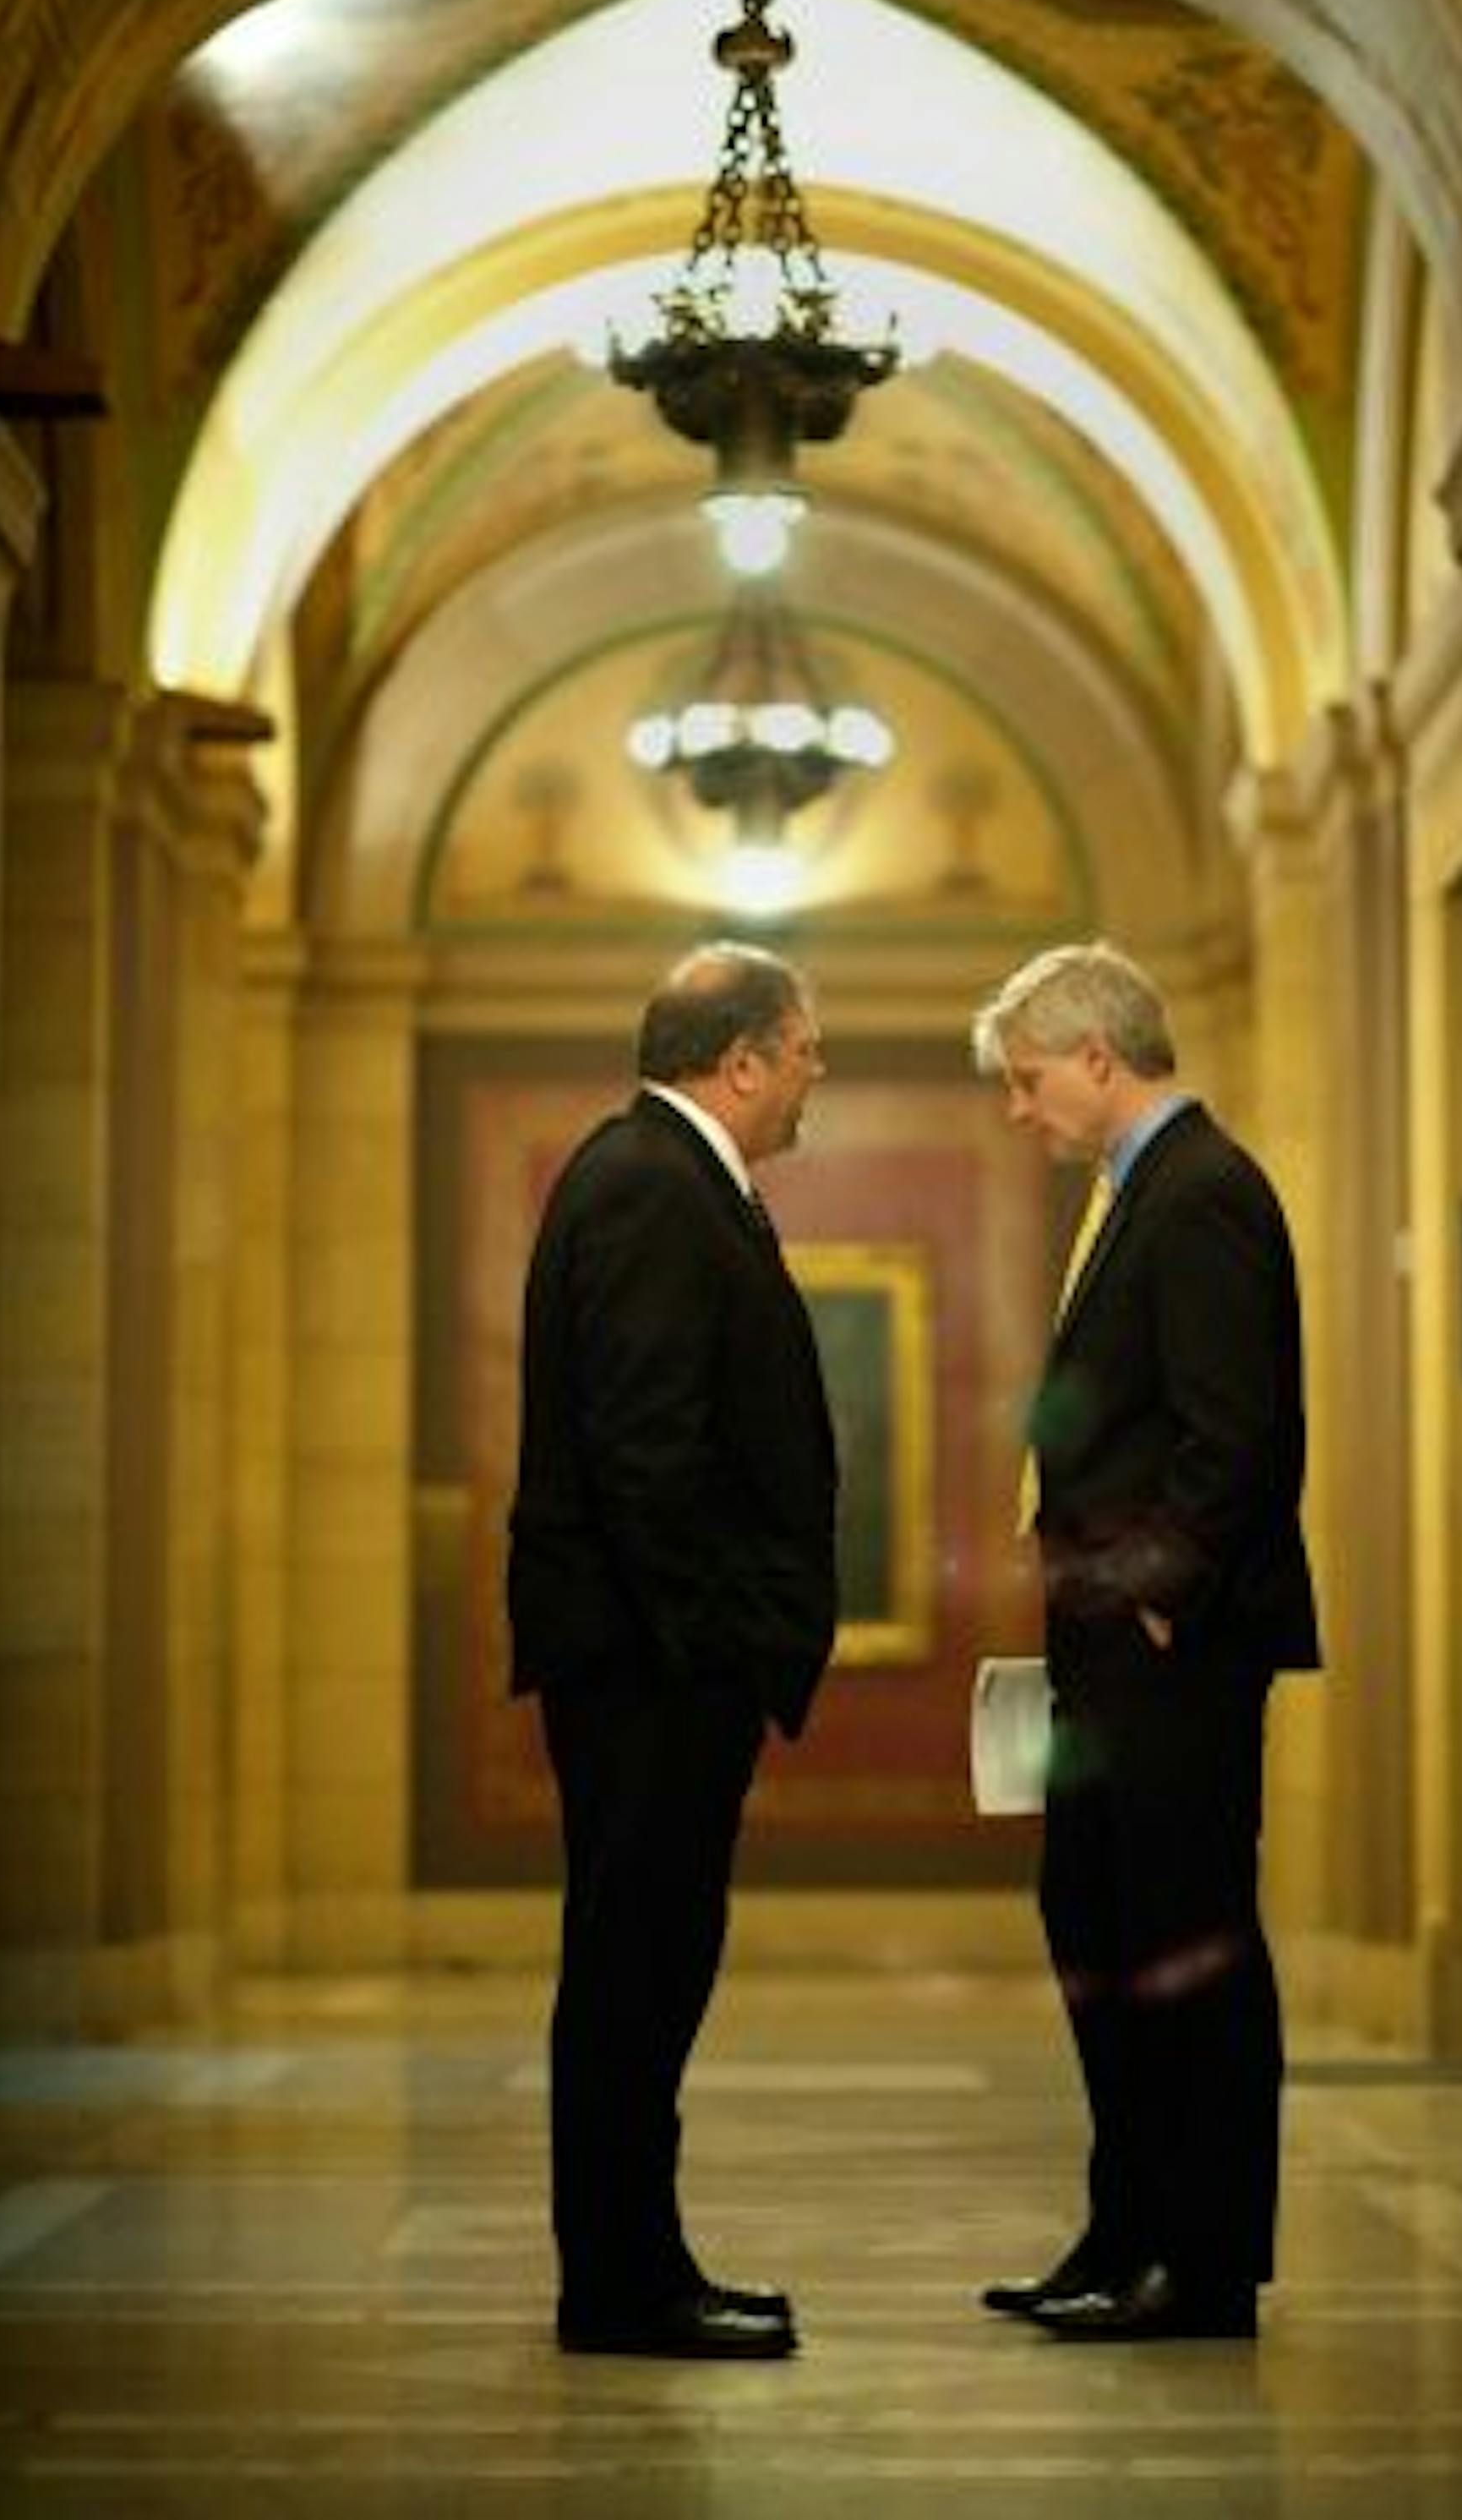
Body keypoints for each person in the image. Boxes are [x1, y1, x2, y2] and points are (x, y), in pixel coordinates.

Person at [971, 940, 1321, 2341]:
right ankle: (1124, 2234)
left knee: (1187, 1946)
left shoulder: (1204, 1197)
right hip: (1106, 1645)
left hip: (1172, 1649)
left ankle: (1205, 2262)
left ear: (1099, 1057)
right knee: (1097, 1925)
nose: (1020, 1108)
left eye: (1028, 1078)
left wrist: (1163, 1592)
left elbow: (1236, 1436)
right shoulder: (1136, 1196)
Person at [506, 942, 838, 2359]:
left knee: (650, 1972)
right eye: (807, 1046)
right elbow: (647, 1455)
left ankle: (642, 2266)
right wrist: (714, 1648)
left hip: (658, 1662)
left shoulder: (668, 1175)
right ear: (742, 1056)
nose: (819, 1071)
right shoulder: (650, 1185)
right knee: (635, 1977)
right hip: (651, 1671)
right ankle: (625, 2288)